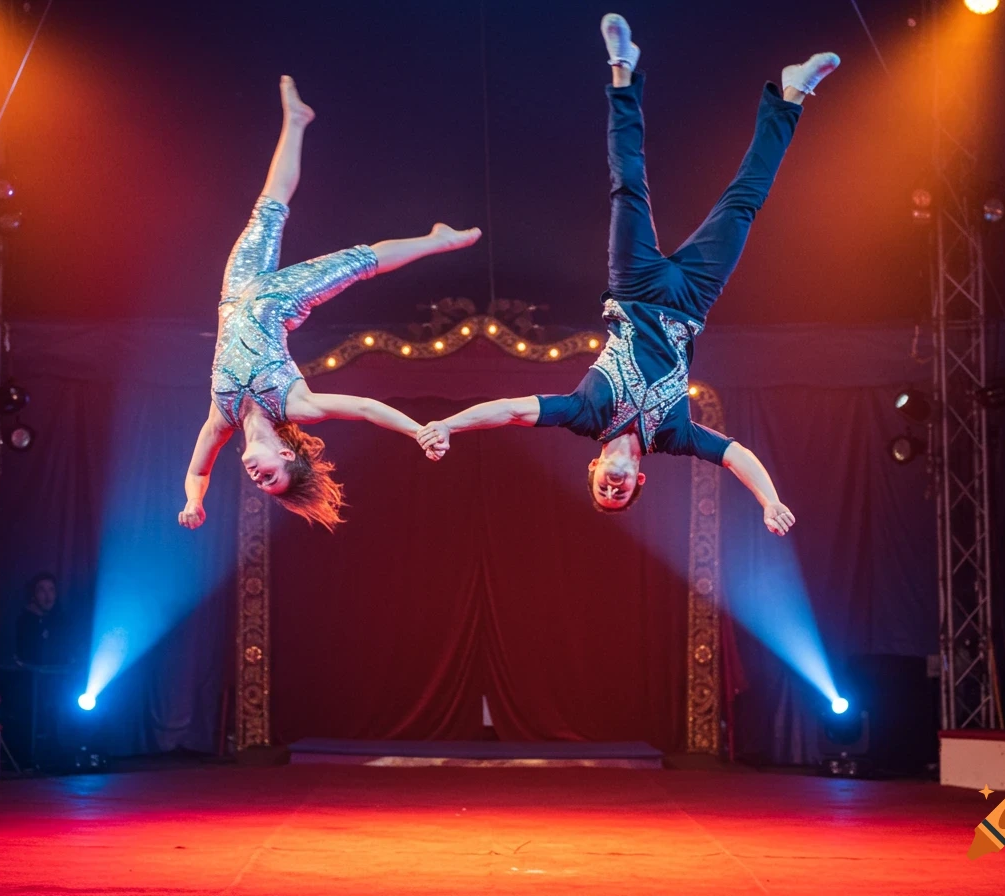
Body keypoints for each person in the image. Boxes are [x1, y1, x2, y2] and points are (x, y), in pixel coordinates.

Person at [418, 15, 839, 535]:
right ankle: (793, 95)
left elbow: (509, 411)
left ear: (594, 468)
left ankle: (622, 69)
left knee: (627, 187)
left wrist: (449, 425)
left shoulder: (584, 414)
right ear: (639, 480)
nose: (612, 487)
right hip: (690, 301)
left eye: (602, 488)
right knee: (745, 203)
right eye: (621, 494)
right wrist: (768, 500)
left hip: (635, 287)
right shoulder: (675, 434)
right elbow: (736, 455)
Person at [179, 76, 479, 532]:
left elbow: (199, 470)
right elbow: (362, 407)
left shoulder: (222, 418)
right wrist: (416, 429)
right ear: (285, 455)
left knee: (268, 210)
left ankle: (296, 121)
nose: (260, 480)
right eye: (274, 478)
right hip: (283, 298)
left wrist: (194, 503)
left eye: (262, 485)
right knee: (359, 261)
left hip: (236, 290)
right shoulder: (294, 405)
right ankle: (436, 242)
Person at [14, 573, 73, 667]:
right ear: (33, 595)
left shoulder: (62, 622)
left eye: (51, 590)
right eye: (41, 590)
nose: (48, 595)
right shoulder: (23, 622)